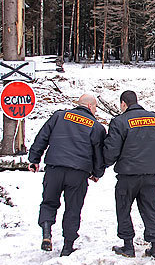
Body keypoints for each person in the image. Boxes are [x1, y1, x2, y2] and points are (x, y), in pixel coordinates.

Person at [28, 94, 106, 256]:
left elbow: (42, 138)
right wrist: (97, 173)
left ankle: (47, 233)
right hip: (78, 174)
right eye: (96, 107)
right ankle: (67, 246)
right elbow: (98, 154)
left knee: (49, 202)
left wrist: (34, 159)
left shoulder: (59, 116)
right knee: (73, 208)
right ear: (91, 107)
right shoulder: (96, 127)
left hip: (54, 168)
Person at [104, 90, 155, 262]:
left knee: (123, 209)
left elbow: (111, 150)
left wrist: (100, 166)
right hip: (150, 176)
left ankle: (128, 246)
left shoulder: (119, 121)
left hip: (127, 176)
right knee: (150, 210)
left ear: (123, 104)